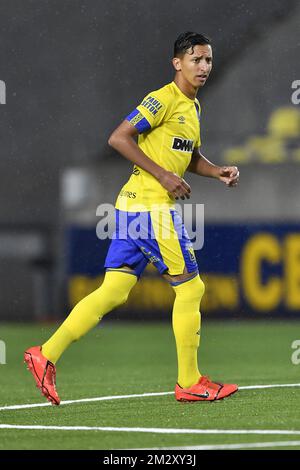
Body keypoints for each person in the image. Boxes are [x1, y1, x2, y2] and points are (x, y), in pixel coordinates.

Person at [24, 32, 239, 405]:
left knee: (114, 290)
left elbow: (188, 157)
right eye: (196, 59)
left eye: (207, 60)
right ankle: (189, 382)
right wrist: (164, 176)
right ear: (177, 63)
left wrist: (216, 171)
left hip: (132, 207)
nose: (203, 67)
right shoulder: (162, 99)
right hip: (152, 208)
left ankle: (45, 354)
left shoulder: (193, 108)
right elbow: (119, 138)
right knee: (191, 289)